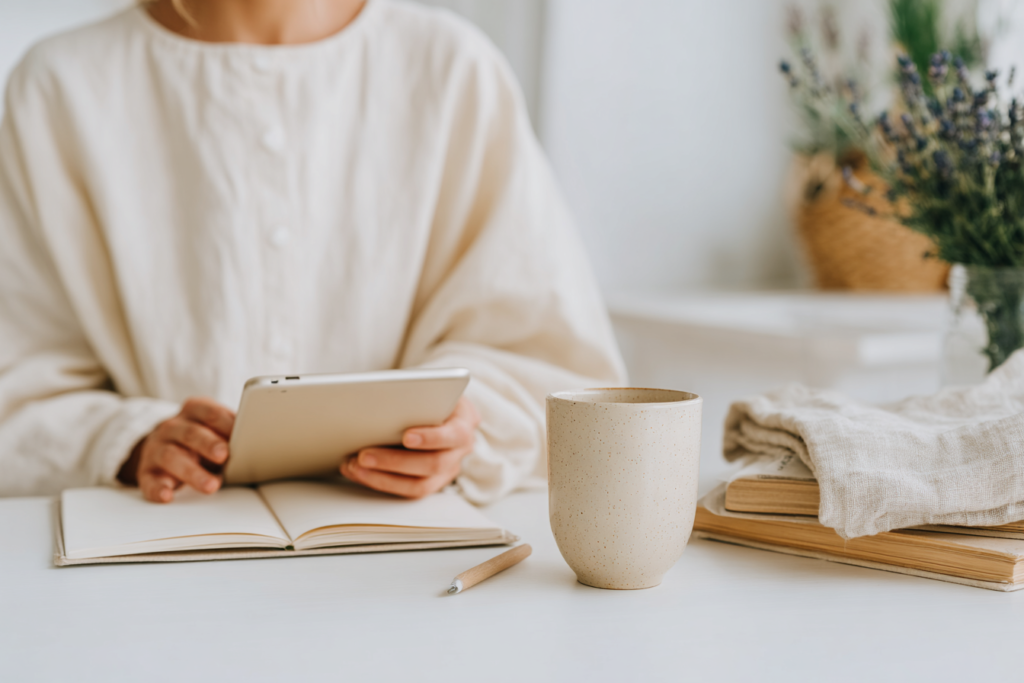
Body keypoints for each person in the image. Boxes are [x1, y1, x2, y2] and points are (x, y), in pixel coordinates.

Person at [0, 0, 626, 504]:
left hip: (411, 567)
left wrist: (462, 428)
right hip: (154, 560)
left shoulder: (451, 69)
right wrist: (130, 441)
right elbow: (19, 380)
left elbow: (549, 360)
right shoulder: (58, 87)